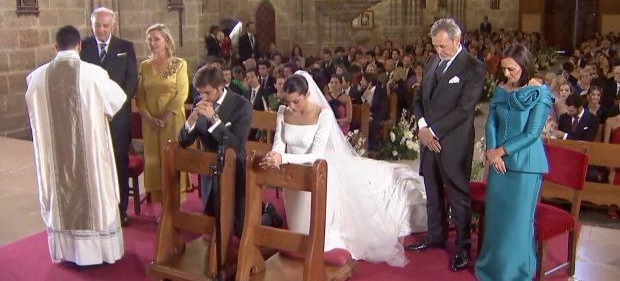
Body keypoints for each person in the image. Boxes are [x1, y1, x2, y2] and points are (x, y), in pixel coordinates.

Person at [259, 71, 427, 266]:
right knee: (298, 231)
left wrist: (283, 157)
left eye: (296, 101)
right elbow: (279, 144)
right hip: (292, 178)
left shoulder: (323, 114)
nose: (291, 106)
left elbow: (317, 156)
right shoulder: (283, 112)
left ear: (307, 94)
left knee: (319, 238)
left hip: (318, 174)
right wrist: (274, 155)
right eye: (288, 102)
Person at [26, 25, 126, 265]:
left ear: (55, 47)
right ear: (79, 46)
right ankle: (101, 253)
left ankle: (67, 252)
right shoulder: (94, 74)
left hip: (56, 156)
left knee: (60, 193)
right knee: (95, 193)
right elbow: (118, 100)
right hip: (90, 155)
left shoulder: (37, 77)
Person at [409, 18, 486, 272]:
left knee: (457, 195)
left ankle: (463, 247)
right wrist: (422, 126)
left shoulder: (474, 67)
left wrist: (433, 132)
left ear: (456, 40)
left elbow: (464, 110)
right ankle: (435, 236)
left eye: (443, 46)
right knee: (431, 189)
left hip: (452, 142)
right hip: (427, 139)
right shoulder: (433, 62)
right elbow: (419, 98)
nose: (438, 52)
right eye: (435, 47)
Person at [474, 44, 552, 281]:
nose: (506, 74)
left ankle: (517, 273)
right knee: (497, 220)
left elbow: (532, 133)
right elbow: (492, 123)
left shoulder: (540, 93)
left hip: (525, 166)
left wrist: (501, 151)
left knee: (517, 223)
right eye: (504, 69)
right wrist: (490, 151)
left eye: (511, 69)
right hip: (499, 166)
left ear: (525, 67)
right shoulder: (501, 89)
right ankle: (491, 269)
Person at [177, 65, 252, 236]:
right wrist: (191, 119)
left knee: (238, 228)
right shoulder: (198, 102)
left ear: (220, 87)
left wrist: (213, 118)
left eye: (207, 93)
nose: (203, 97)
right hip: (208, 173)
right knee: (211, 226)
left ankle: (267, 216)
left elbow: (236, 145)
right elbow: (183, 140)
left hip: (234, 173)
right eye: (199, 93)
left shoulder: (242, 105)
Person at [80, 7, 137, 227]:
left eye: (105, 26)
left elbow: (131, 80)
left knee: (119, 161)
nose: (101, 30)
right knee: (94, 162)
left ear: (112, 25)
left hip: (118, 117)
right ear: (91, 25)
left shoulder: (125, 47)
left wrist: (115, 107)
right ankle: (97, 208)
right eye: (97, 26)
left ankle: (120, 209)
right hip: (92, 116)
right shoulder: (83, 47)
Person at [135, 24, 190, 204]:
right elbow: (140, 96)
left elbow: (182, 93)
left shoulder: (179, 64)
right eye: (149, 39)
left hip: (172, 119)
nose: (152, 43)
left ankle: (175, 205)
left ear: (166, 41)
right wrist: (149, 118)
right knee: (154, 160)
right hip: (150, 122)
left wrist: (165, 117)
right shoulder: (144, 66)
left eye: (156, 39)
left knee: (172, 159)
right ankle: (161, 207)